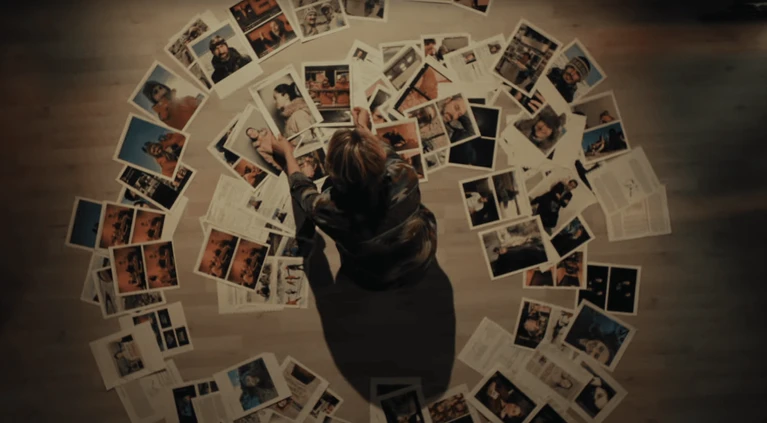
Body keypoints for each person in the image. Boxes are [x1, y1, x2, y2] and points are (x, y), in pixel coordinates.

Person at [268, 107, 438, 289]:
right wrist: (363, 128)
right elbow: (386, 154)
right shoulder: (405, 174)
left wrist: (287, 154)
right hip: (421, 255)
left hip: (375, 277)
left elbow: (302, 189)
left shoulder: (330, 209)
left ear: (332, 171)